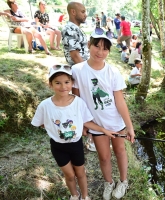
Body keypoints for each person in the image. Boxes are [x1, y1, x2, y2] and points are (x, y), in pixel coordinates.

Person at [31, 64, 118, 200]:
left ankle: (85, 196)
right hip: (58, 147)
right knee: (70, 175)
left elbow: (86, 121)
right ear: (50, 84)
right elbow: (40, 122)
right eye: (57, 83)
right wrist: (53, 127)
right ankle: (74, 195)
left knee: (80, 173)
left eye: (66, 82)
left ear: (72, 83)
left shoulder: (78, 102)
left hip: (76, 145)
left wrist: (103, 130)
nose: (63, 86)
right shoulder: (45, 105)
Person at [71, 30, 135, 200]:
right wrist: (83, 124)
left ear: (109, 51)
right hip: (97, 124)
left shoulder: (113, 72)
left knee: (120, 151)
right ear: (89, 45)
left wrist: (129, 127)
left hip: (116, 122)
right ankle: (109, 182)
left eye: (105, 49)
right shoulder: (77, 70)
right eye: (96, 46)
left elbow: (120, 102)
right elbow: (77, 100)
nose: (100, 52)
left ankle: (123, 181)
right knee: (104, 156)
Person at [62, 2, 95, 152]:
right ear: (73, 12)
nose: (85, 14)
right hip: (79, 73)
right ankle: (87, 137)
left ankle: (90, 136)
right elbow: (75, 55)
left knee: (88, 104)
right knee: (83, 105)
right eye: (82, 11)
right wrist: (86, 73)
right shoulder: (69, 28)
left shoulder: (76, 29)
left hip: (83, 71)